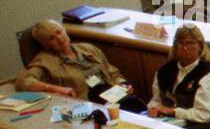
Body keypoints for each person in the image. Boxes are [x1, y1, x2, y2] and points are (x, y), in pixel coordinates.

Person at [17, 21, 146, 112]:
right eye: (52, 38)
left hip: (113, 94)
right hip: (88, 103)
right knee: (131, 107)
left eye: (59, 32)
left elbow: (112, 72)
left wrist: (122, 84)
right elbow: (24, 81)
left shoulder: (88, 48)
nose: (60, 38)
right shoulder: (45, 60)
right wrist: (56, 89)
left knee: (135, 105)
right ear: (45, 45)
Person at [146, 23, 210, 129]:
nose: (186, 48)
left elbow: (204, 115)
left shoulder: (208, 76)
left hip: (193, 127)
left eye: (190, 43)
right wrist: (153, 108)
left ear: (200, 46)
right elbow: (156, 99)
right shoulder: (164, 70)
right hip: (164, 121)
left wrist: (173, 112)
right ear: (176, 46)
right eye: (181, 43)